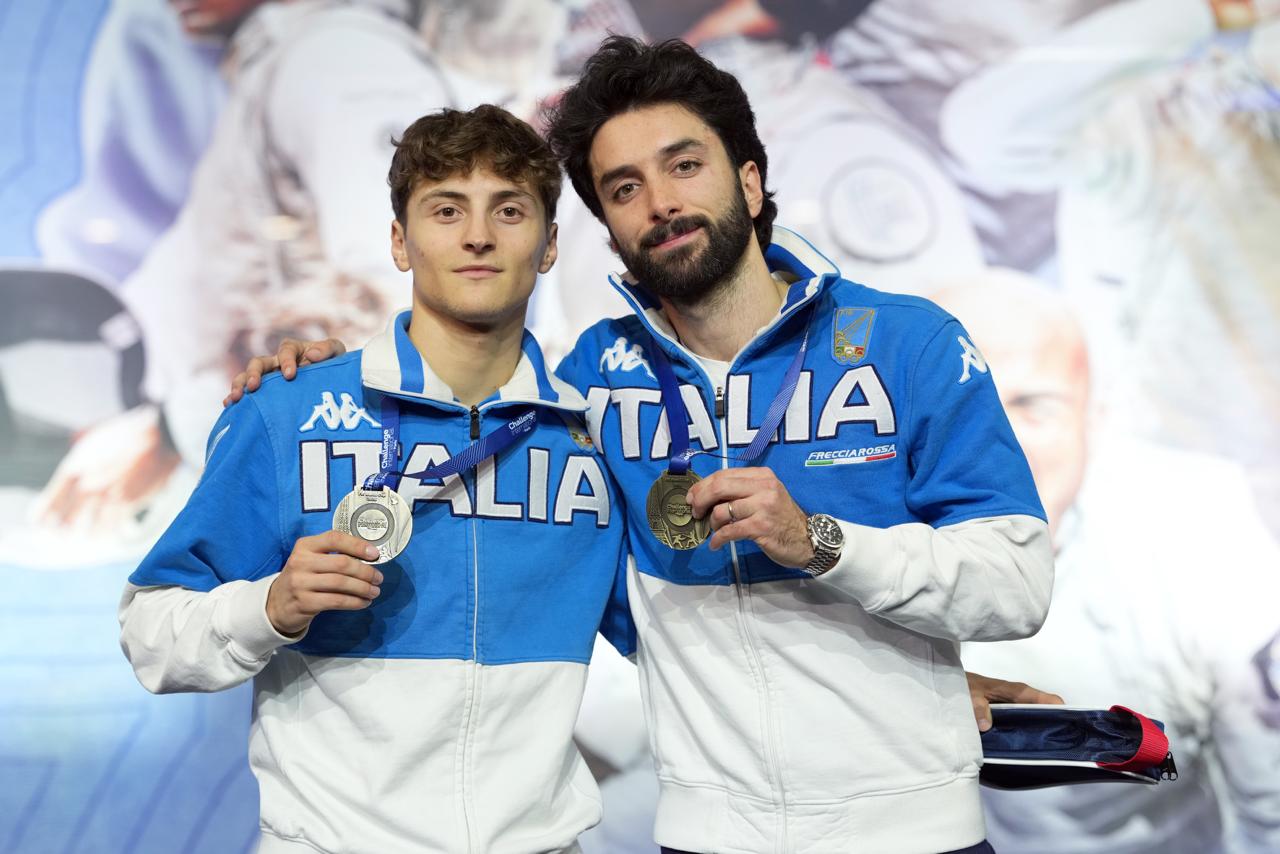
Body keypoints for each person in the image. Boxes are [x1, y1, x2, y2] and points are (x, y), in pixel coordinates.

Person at [236, 37, 1055, 853]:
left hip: (911, 833)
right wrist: (313, 376)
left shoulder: (905, 343)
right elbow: (483, 449)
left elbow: (1016, 584)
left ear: (750, 180)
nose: (659, 202)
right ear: (604, 226)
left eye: (684, 165)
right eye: (624, 188)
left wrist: (825, 548)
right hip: (707, 836)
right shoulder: (585, 382)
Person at [120, 105, 636, 854]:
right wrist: (271, 605)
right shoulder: (290, 410)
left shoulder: (592, 437)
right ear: (400, 241)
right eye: (446, 210)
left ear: (550, 244)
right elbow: (149, 634)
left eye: (510, 210)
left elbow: (673, 632)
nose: (478, 236)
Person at [934, 269, 1280, 854]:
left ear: (1096, 417)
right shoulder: (849, 549)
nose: (1002, 442)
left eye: (1033, 404)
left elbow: (1271, 800)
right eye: (966, 408)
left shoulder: (1199, 531)